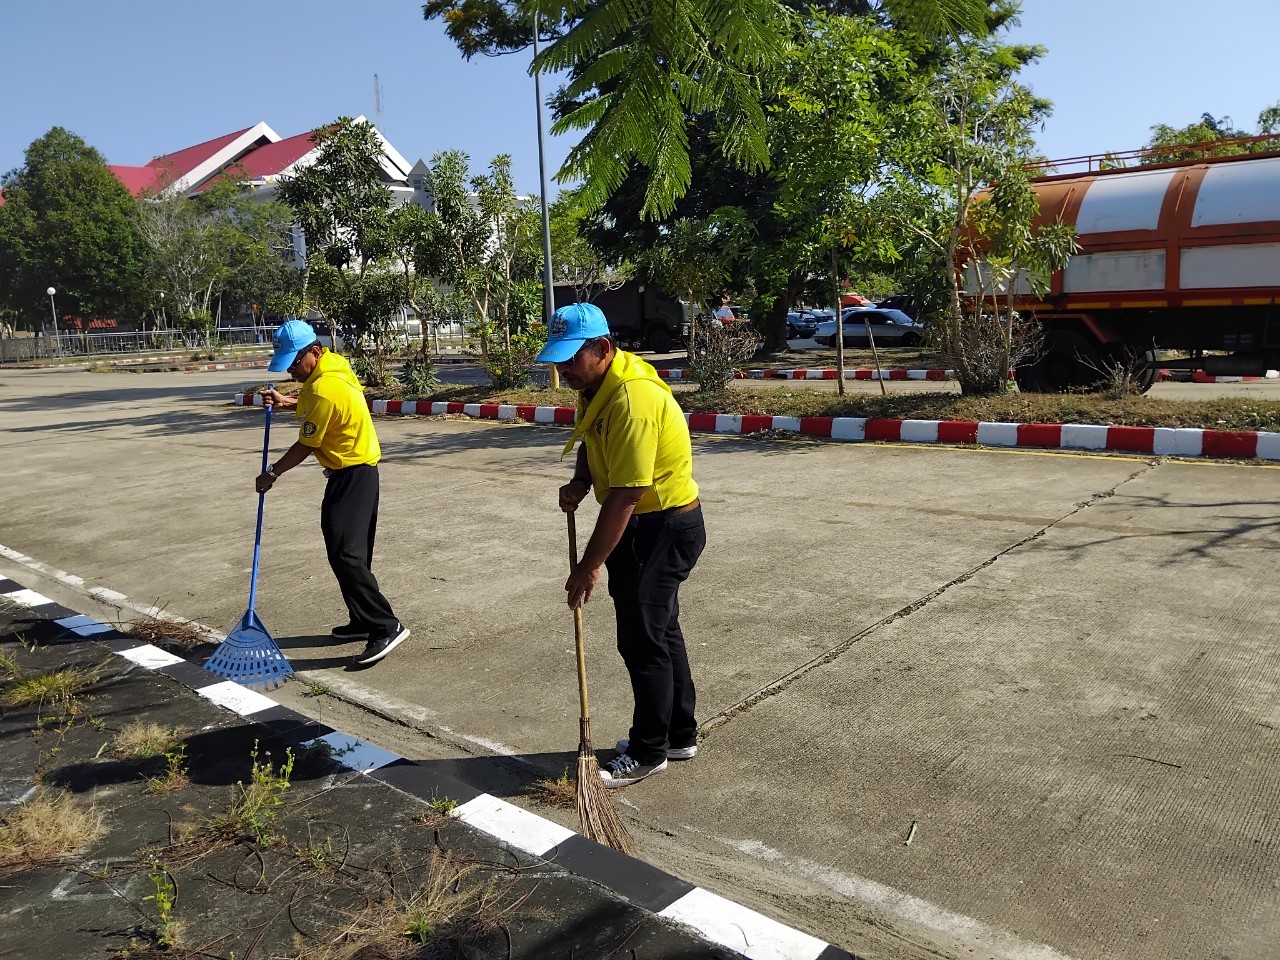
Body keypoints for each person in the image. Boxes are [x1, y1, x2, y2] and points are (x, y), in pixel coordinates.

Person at [543, 303, 707, 788]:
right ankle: (678, 733)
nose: (563, 369)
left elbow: (627, 495)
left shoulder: (632, 399)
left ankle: (648, 750)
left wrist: (588, 565)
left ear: (602, 348)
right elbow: (594, 443)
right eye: (558, 359)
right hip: (646, 527)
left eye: (571, 357)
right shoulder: (597, 386)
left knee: (641, 640)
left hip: (661, 528)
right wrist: (580, 481)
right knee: (661, 631)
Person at [255, 320, 409, 667]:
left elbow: (307, 443)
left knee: (346, 555)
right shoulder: (332, 368)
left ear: (313, 351)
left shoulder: (324, 386)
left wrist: (272, 473)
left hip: (353, 475)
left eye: (295, 363)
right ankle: (362, 620)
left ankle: (386, 625)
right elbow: (321, 405)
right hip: (355, 473)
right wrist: (287, 401)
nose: (292, 371)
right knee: (349, 553)